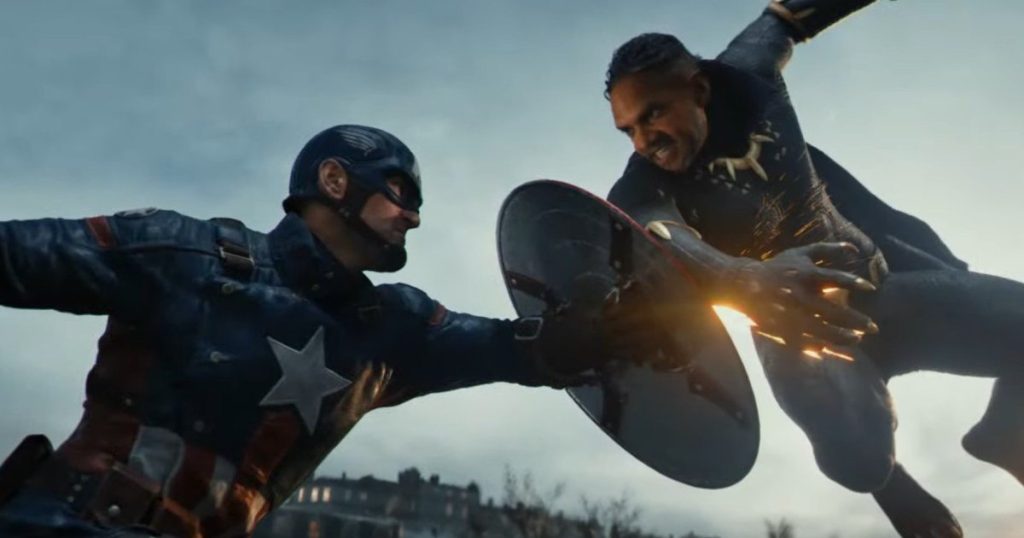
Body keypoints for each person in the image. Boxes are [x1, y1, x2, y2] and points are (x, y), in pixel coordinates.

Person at [0, 124, 871, 537]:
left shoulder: (393, 330)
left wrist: (647, 313)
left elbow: (531, 349)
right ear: (334, 182)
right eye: (400, 194)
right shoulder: (180, 253)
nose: (413, 216)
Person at [602, 1, 1024, 536]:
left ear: (699, 90)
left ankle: (1006, 435)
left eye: (653, 114)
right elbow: (657, 230)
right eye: (628, 130)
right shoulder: (640, 186)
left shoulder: (746, 76)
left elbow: (788, 16)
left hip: (885, 293)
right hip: (803, 337)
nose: (644, 141)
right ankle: (887, 481)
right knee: (860, 462)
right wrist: (738, 276)